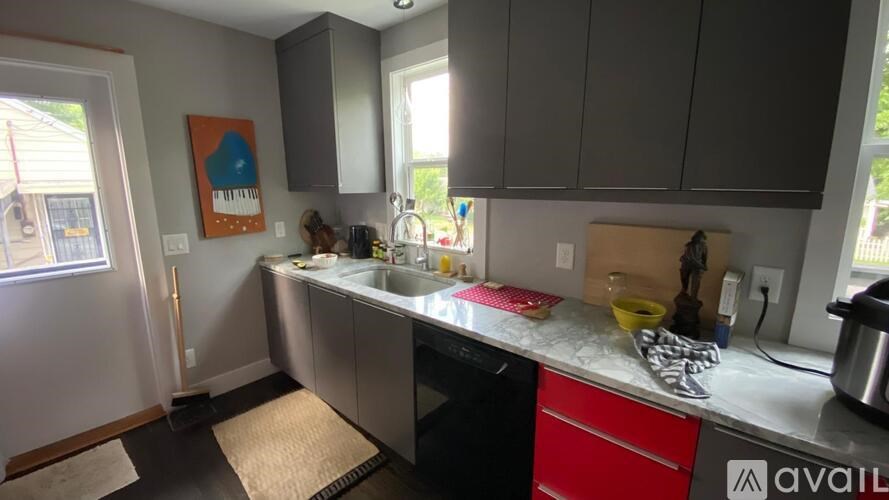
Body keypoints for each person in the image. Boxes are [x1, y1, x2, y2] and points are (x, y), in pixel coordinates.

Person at [680, 230, 708, 301]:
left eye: (701, 238)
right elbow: (691, 257)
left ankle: (693, 296)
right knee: (684, 277)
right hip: (687, 263)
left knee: (696, 281)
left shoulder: (704, 246)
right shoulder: (689, 245)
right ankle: (684, 290)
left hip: (697, 265)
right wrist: (701, 265)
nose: (699, 239)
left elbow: (704, 257)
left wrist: (704, 265)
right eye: (698, 238)